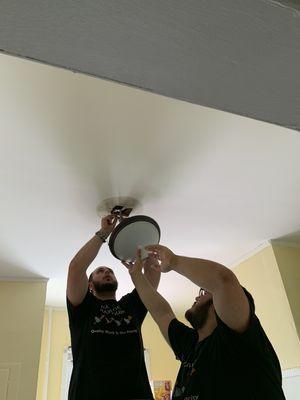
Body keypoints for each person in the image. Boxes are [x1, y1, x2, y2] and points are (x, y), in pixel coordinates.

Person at [126, 244, 286, 400]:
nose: (197, 296)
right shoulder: (191, 343)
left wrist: (173, 261)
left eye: (204, 291)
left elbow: (223, 280)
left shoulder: (238, 341)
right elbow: (161, 313)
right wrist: (137, 277)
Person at [66, 215, 160, 400]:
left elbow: (152, 274)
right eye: (100, 272)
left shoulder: (130, 306)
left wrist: (144, 243)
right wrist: (103, 234)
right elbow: (76, 268)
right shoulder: (83, 306)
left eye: (110, 271)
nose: (107, 272)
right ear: (90, 285)